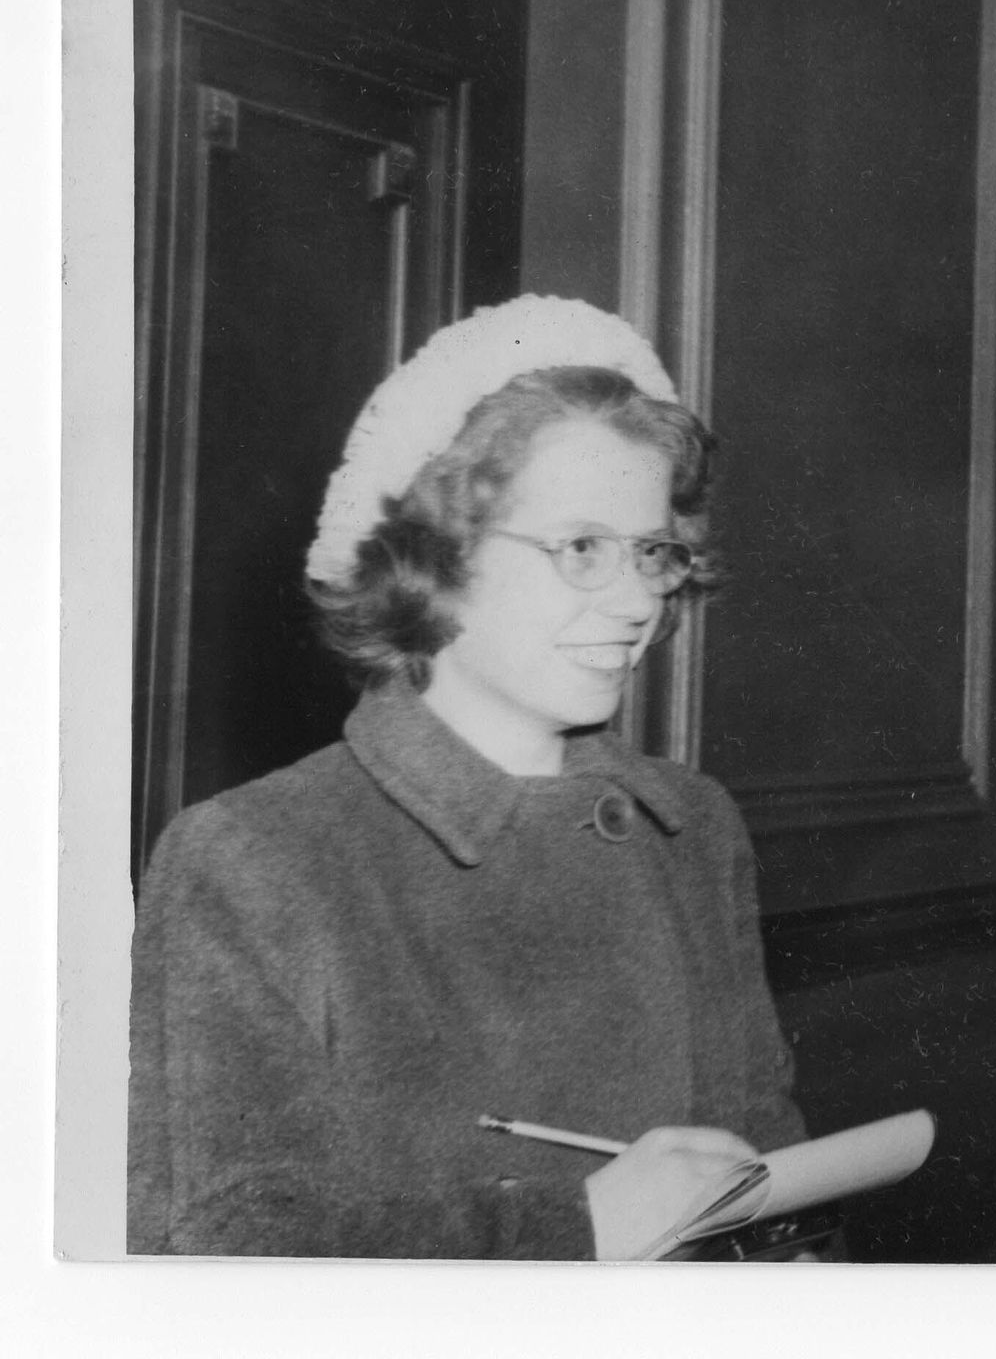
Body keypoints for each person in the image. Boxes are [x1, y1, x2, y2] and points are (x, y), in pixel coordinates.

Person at [129, 295, 809, 1259]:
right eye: (582, 548)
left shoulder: (694, 826)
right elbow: (223, 1251)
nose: (635, 602)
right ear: (434, 558)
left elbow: (765, 1163)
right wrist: (579, 1229)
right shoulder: (253, 858)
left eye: (652, 552)